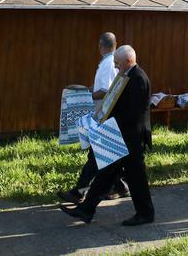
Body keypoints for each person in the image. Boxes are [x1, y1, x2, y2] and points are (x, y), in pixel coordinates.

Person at [63, 45, 155, 226]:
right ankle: (86, 210)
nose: (115, 67)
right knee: (106, 174)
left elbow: (133, 114)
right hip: (122, 136)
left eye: (117, 63)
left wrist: (107, 121)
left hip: (132, 138)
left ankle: (145, 214)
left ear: (128, 61)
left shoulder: (138, 79)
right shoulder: (127, 76)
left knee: (137, 179)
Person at [58, 32, 128, 204]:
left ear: (100, 46)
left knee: (96, 154)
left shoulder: (107, 63)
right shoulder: (112, 61)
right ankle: (121, 186)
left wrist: (86, 94)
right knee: (107, 153)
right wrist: (89, 89)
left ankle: (79, 191)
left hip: (103, 114)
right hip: (108, 113)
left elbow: (105, 90)